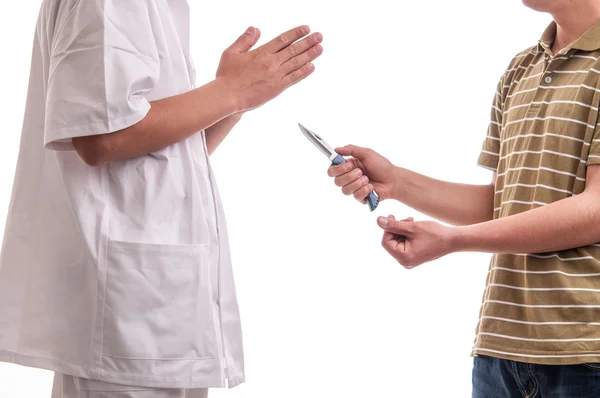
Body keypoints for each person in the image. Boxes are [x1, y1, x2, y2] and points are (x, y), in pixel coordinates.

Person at [0, 0, 323, 397]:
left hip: (162, 315)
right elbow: (102, 138)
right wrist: (230, 92)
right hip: (130, 318)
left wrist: (237, 102)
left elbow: (168, 158)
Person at [328, 0, 600, 396]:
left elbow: (594, 212)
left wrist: (453, 241)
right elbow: (506, 205)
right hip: (500, 348)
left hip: (585, 351)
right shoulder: (520, 68)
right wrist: (396, 183)